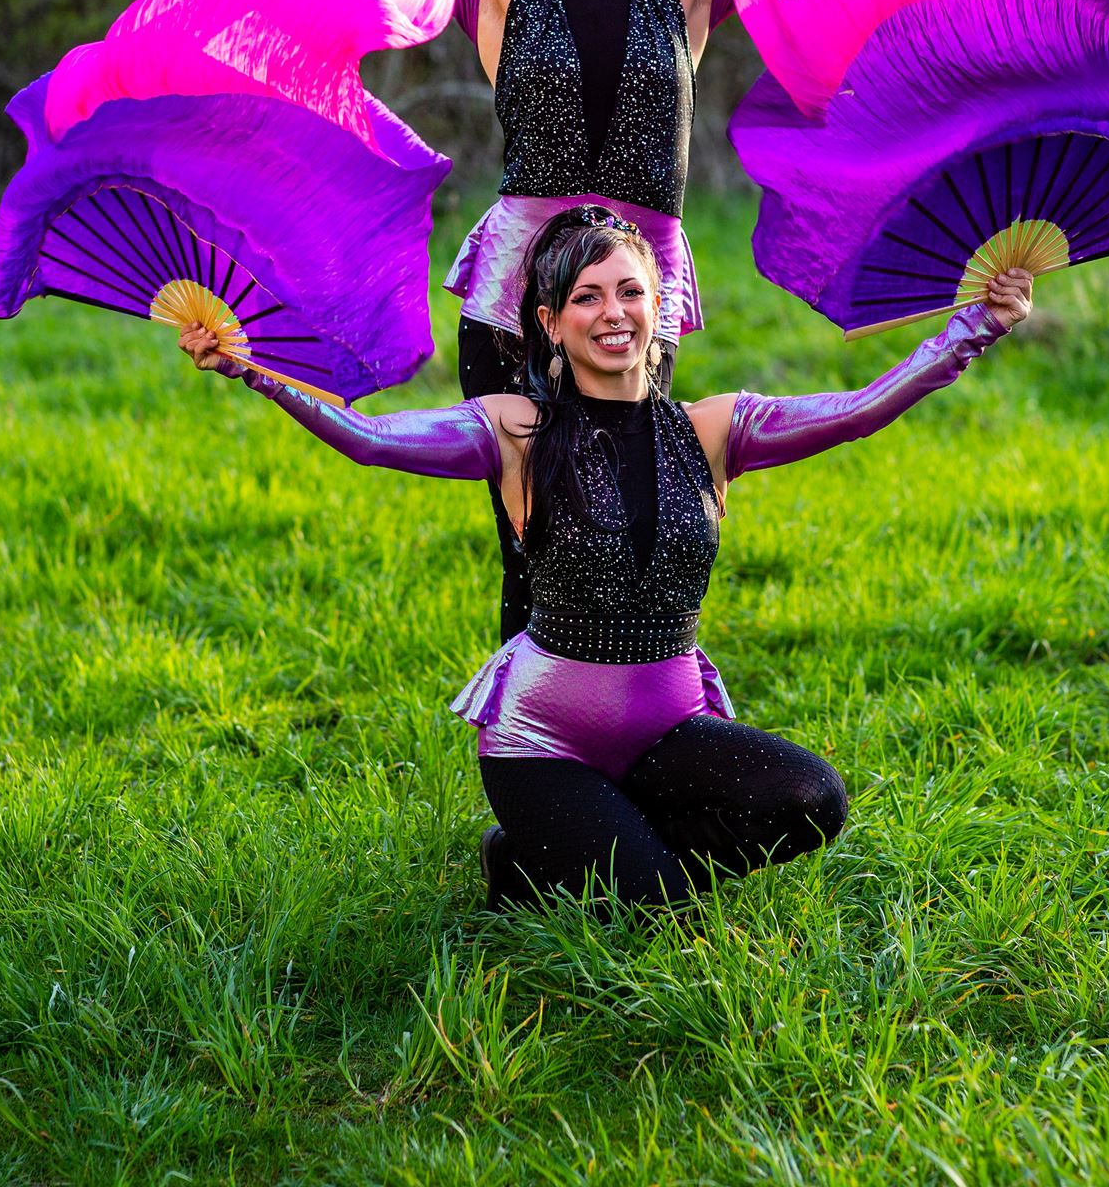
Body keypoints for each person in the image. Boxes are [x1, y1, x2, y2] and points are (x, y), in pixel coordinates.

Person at [178, 205, 1033, 913]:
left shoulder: (712, 428)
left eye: (630, 290)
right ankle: (529, 852)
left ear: (660, 305)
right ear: (551, 323)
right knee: (659, 909)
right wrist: (256, 373)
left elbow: (858, 409)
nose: (613, 312)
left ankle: (584, 849)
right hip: (543, 743)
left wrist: (976, 328)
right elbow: (369, 440)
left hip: (669, 728)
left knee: (812, 802)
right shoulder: (515, 427)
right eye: (587, 297)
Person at [143, 0, 730, 644]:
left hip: (629, 303)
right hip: (515, 297)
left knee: (618, 520)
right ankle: (528, 730)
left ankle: (624, 712)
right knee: (534, 530)